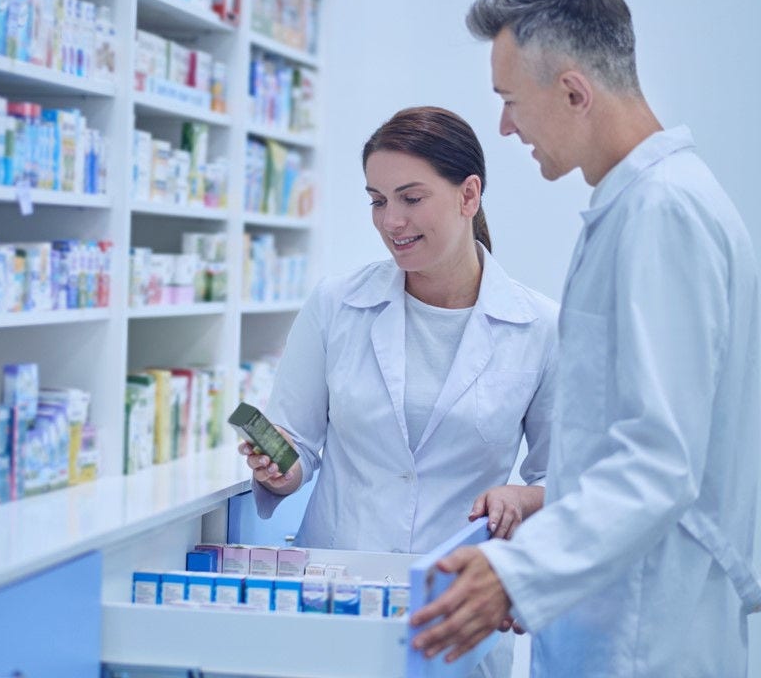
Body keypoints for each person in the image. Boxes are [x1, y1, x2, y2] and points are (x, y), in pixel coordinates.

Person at [409, 0, 761, 677]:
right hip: (614, 620)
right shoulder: (639, 206)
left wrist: (521, 572)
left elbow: (658, 461)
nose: (505, 127)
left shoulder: (662, 214)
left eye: (511, 101)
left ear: (574, 91)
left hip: (642, 637)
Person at [238, 106, 560, 676]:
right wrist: (277, 466)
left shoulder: (538, 327)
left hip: (456, 613)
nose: (391, 221)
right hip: (333, 599)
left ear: (469, 195)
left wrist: (520, 498)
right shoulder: (337, 304)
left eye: (410, 199)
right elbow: (300, 446)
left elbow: (562, 480)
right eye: (377, 200)